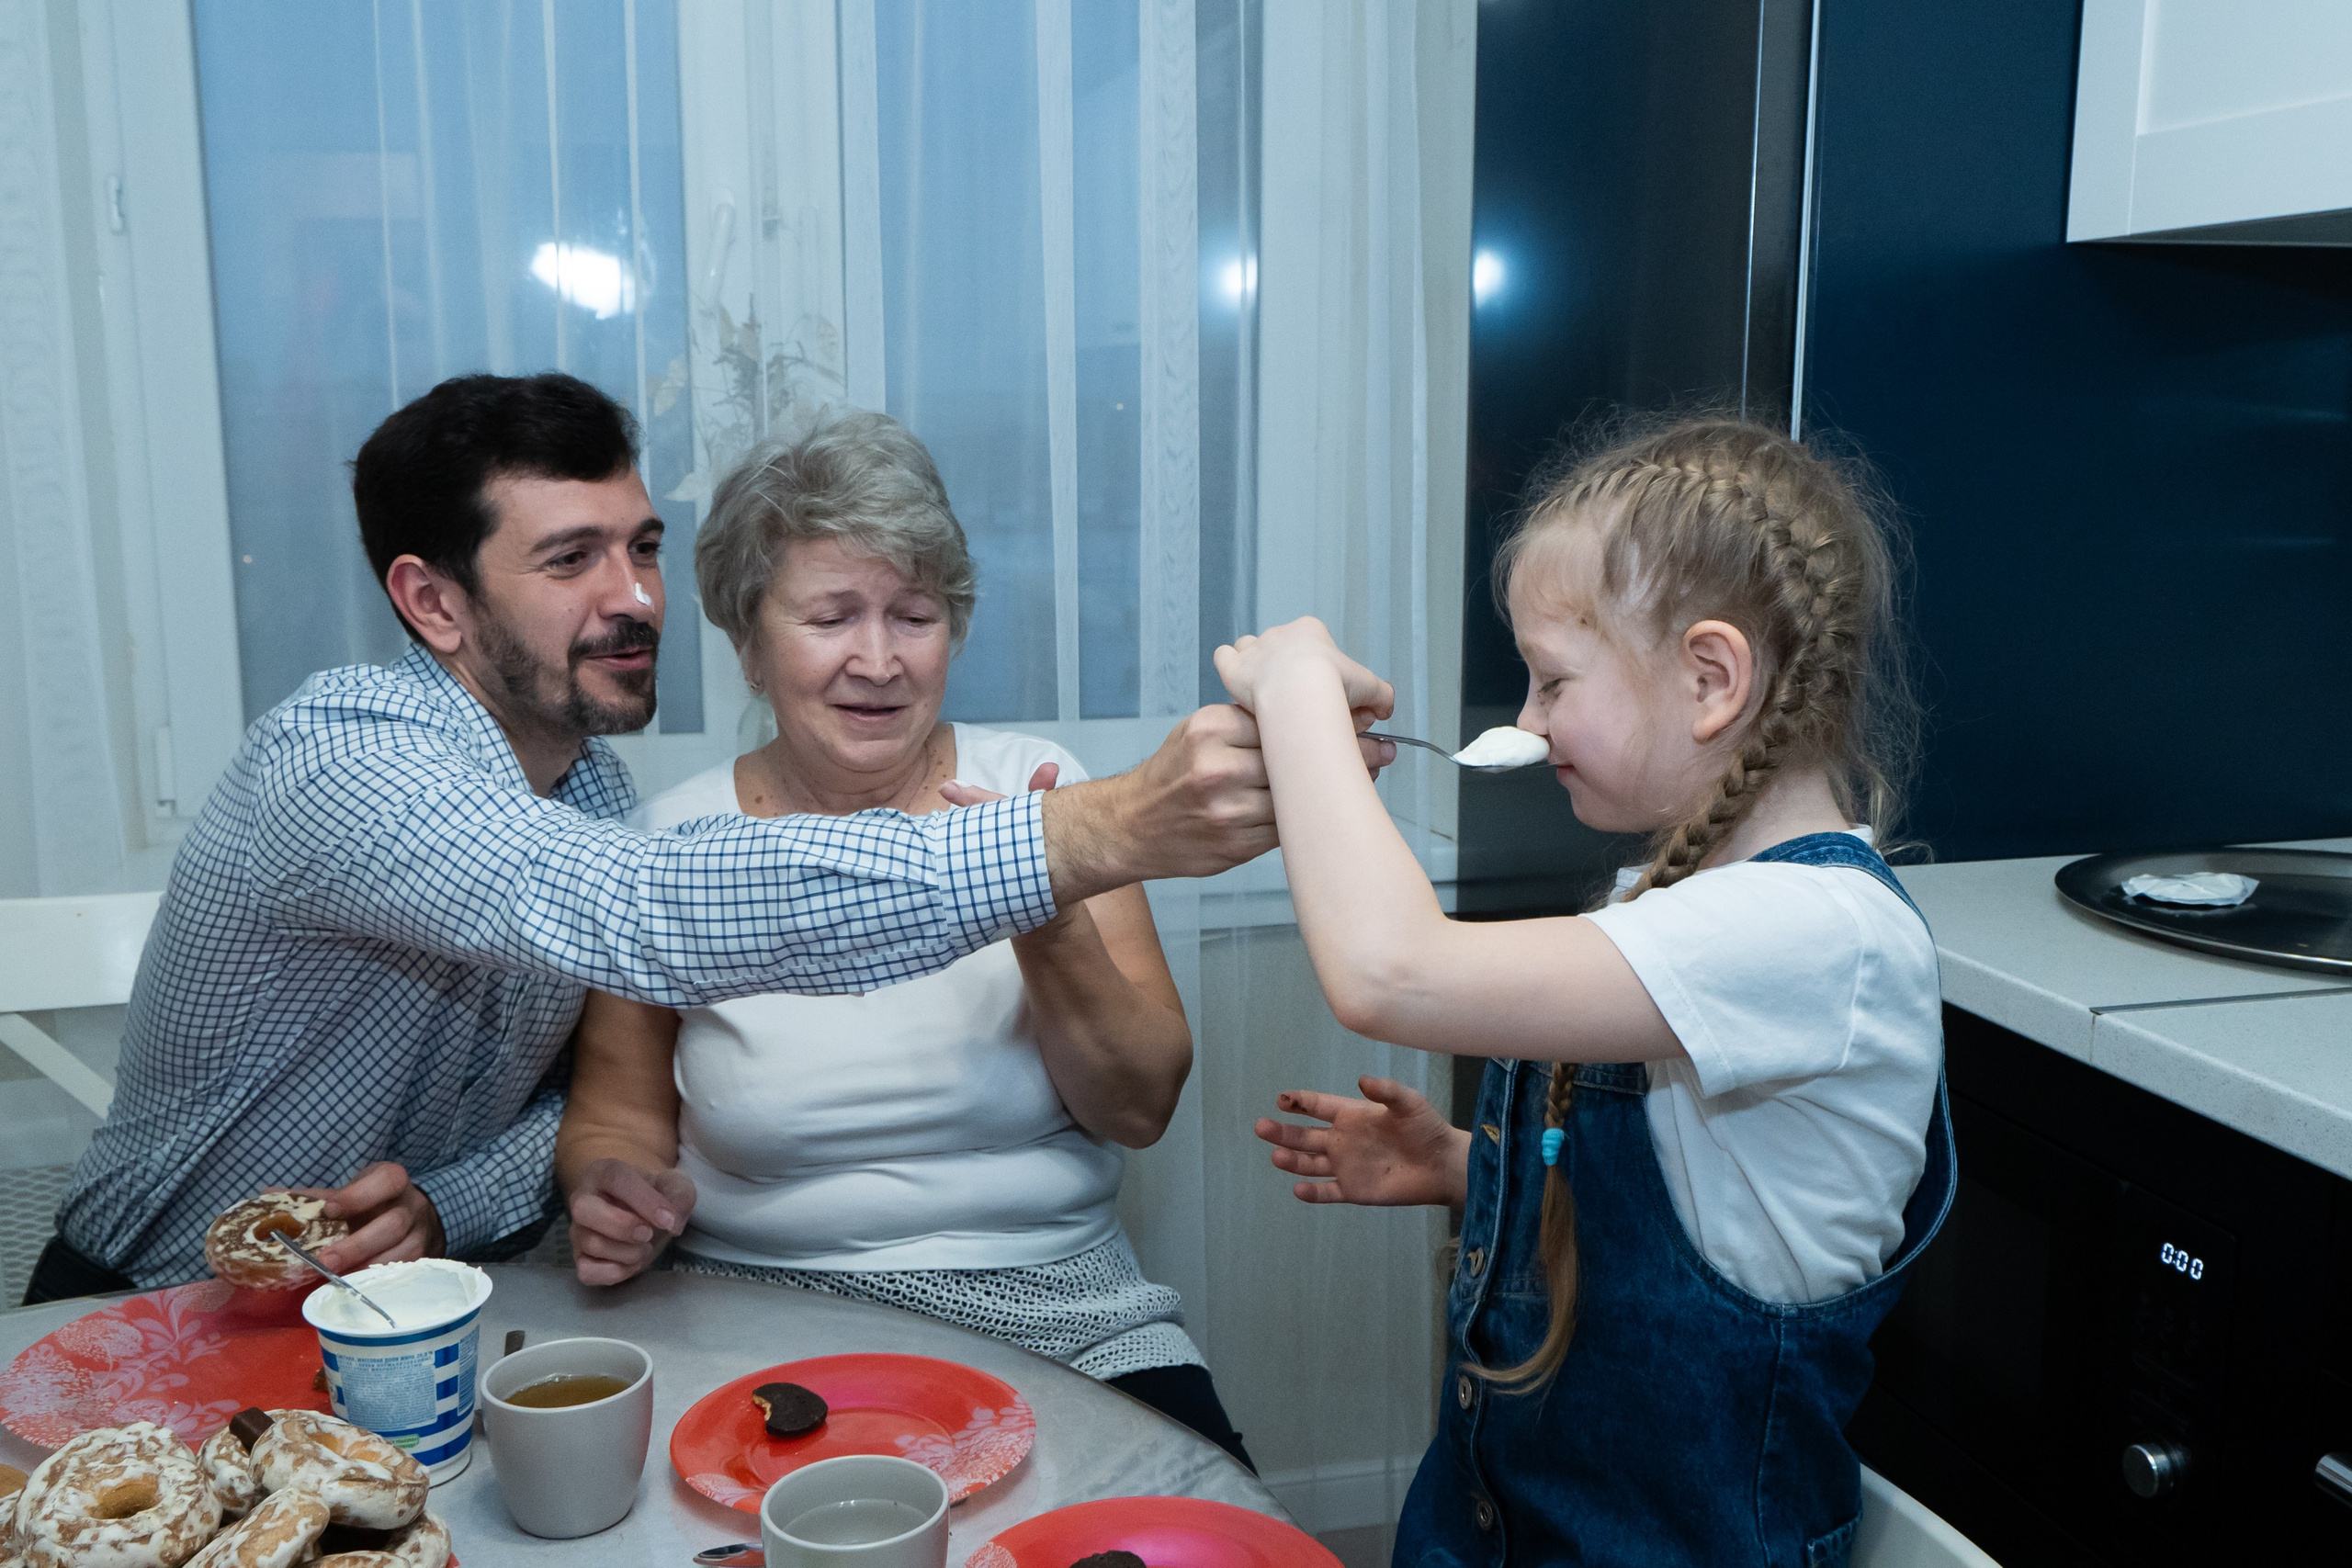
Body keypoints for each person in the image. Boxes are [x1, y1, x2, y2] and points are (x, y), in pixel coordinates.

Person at [29, 372, 1390, 1305]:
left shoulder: (593, 792)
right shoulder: (344, 760)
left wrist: (456, 1198)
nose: (633, 598)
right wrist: (1091, 832)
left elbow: (577, 1111)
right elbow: (645, 912)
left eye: (639, 547)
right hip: (162, 1300)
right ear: (432, 603)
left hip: (395, 1295)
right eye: (569, 560)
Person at [1222, 418, 1955, 1563]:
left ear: (1710, 679)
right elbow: (1707, 1196)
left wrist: (1297, 695)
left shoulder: (1816, 934)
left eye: (1553, 680)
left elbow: (1386, 970)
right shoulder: (1685, 905)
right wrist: (1472, 1170)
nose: (1526, 721)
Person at [555, 412, 1251, 1466]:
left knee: (1189, 1518)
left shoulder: (1042, 795)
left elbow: (1139, 1106)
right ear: (749, 644)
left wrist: (1041, 908)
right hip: (761, 1317)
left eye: (913, 616)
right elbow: (616, 1121)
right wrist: (610, 1191)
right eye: (831, 617)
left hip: (1062, 1308)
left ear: (953, 629)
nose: (878, 660)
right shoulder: (665, 847)